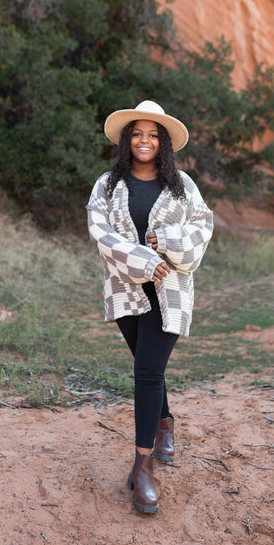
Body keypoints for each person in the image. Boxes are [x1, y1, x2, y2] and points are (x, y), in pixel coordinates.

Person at [87, 100, 213, 514]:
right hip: (125, 291)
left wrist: (169, 242)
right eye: (138, 134)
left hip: (171, 292)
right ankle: (165, 424)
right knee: (148, 366)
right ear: (127, 140)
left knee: (146, 372)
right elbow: (101, 233)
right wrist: (144, 260)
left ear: (164, 143)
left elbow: (202, 226)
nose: (145, 141)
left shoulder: (182, 186)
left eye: (153, 134)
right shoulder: (108, 184)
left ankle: (142, 469)